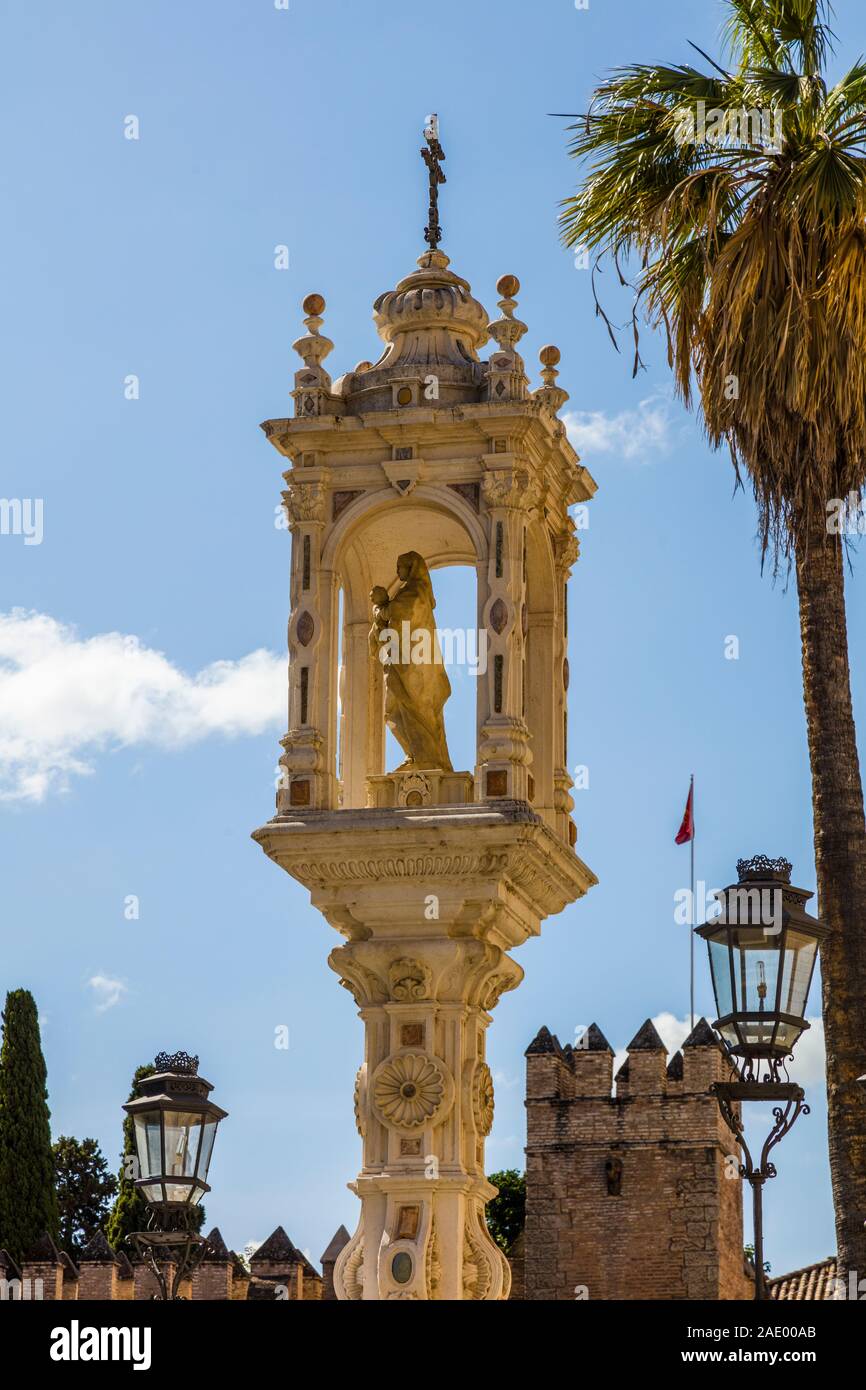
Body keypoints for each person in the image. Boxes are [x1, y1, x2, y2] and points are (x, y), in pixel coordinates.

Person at [368, 551, 453, 771]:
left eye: (401, 566)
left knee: (416, 709)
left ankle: (427, 759)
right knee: (393, 710)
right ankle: (414, 754)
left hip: (414, 665)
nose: (397, 571)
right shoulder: (407, 592)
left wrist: (380, 608)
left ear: (411, 568)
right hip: (401, 663)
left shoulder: (416, 592)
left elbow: (398, 611)